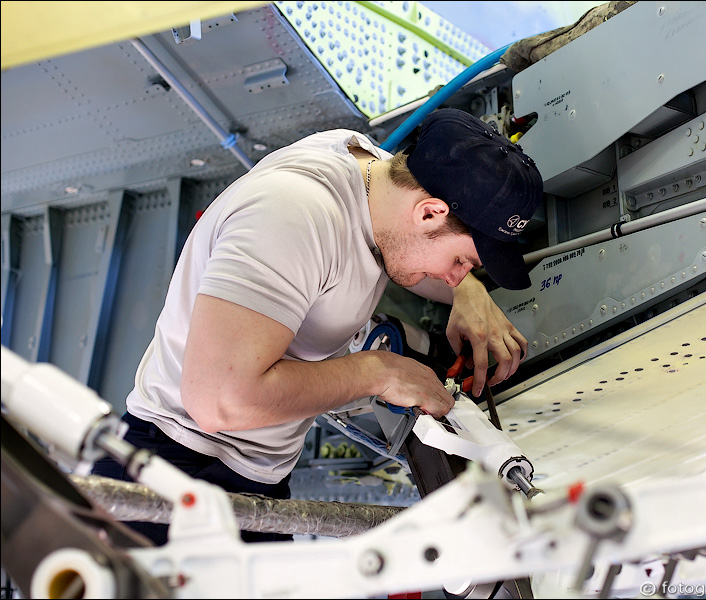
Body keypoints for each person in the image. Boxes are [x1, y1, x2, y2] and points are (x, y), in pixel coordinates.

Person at [91, 108, 544, 545]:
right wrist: (378, 372)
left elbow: (404, 247)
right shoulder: (291, 214)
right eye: (462, 261)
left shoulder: (379, 178)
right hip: (172, 478)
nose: (456, 274)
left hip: (256, 481)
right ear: (429, 212)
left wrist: (468, 293)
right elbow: (219, 401)